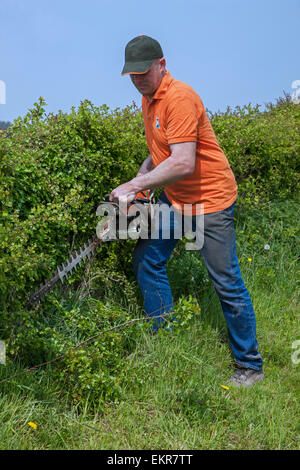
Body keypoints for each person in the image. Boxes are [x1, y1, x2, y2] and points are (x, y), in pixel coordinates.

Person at [109, 34, 264, 387]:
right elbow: (164, 149)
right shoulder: (150, 99)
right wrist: (144, 173)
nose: (137, 81)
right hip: (175, 199)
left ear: (161, 65)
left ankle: (250, 365)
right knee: (147, 259)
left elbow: (182, 161)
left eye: (143, 73)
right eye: (131, 75)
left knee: (226, 280)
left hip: (209, 200)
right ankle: (164, 336)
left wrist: (134, 187)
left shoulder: (179, 97)